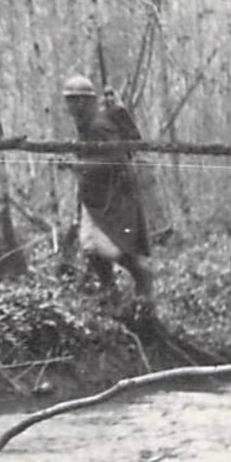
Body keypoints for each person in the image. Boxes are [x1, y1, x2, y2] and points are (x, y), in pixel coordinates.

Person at [62, 74, 154, 306]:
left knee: (110, 246)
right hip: (97, 197)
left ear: (82, 102)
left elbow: (115, 160)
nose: (68, 106)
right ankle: (109, 288)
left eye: (71, 100)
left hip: (113, 197)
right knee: (91, 244)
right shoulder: (89, 123)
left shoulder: (98, 125)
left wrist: (75, 165)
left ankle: (143, 280)